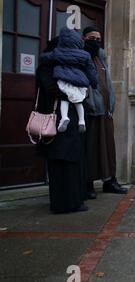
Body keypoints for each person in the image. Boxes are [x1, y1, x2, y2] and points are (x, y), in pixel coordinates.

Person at [36, 38, 88, 214]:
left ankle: (74, 201)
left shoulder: (65, 66)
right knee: (60, 166)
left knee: (72, 165)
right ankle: (63, 204)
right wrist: (75, 93)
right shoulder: (46, 67)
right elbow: (52, 89)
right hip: (56, 123)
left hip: (70, 124)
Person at [82, 26, 128, 200]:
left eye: (98, 39)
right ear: (84, 38)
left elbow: (107, 84)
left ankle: (110, 182)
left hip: (106, 113)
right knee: (91, 150)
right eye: (92, 38)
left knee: (108, 150)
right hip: (91, 113)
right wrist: (92, 104)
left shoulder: (102, 59)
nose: (96, 42)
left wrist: (111, 105)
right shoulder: (81, 58)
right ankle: (88, 185)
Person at [40, 27, 98, 133]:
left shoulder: (56, 55)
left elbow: (45, 58)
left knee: (65, 100)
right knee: (78, 102)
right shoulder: (84, 55)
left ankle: (65, 117)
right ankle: (82, 121)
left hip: (57, 109)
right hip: (79, 88)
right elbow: (93, 78)